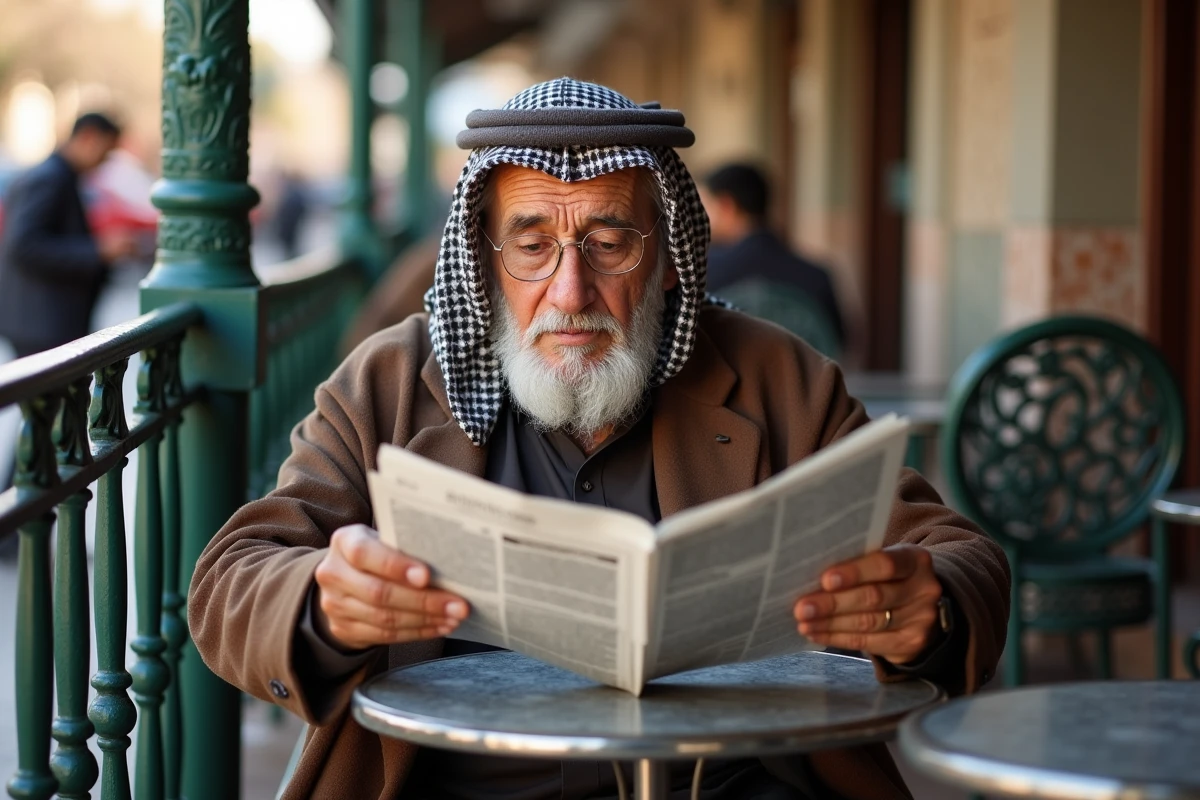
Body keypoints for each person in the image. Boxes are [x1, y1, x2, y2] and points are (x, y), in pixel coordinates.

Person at [190, 78, 1009, 800]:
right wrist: (325, 602)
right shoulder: (391, 383)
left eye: (611, 243)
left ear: (670, 258)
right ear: (487, 257)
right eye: (532, 244)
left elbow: (956, 553)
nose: (570, 290)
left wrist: (923, 609)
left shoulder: (779, 378)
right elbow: (230, 578)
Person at [0, 112, 136, 502]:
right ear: (90, 138)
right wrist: (98, 250)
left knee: (43, 422)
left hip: (42, 319)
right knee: (44, 422)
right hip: (41, 322)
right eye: (106, 152)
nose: (104, 163)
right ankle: (15, 520)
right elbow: (25, 245)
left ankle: (18, 521)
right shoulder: (50, 177)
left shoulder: (56, 176)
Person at [701, 163, 846, 352]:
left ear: (726, 205)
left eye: (703, 205)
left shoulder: (703, 271)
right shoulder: (817, 275)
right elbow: (837, 344)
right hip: (804, 380)